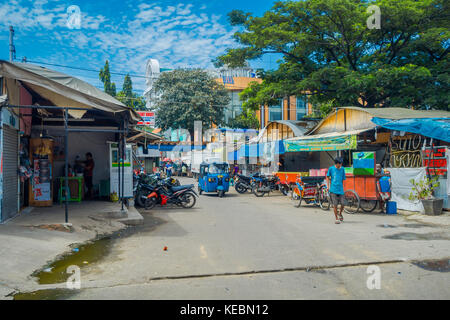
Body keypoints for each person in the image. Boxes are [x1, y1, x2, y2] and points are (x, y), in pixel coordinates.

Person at [327, 157, 346, 224]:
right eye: (339, 164)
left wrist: (344, 187)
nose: (340, 165)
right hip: (333, 189)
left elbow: (343, 179)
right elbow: (327, 176)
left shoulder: (343, 169)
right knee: (335, 204)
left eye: (341, 164)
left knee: (343, 203)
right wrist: (328, 186)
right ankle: (336, 218)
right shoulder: (331, 169)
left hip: (340, 189)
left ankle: (340, 213)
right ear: (336, 163)